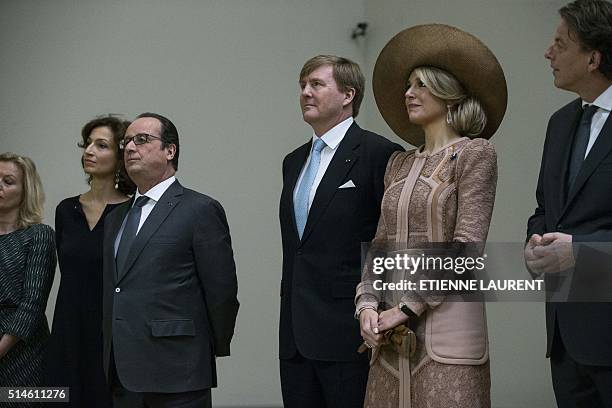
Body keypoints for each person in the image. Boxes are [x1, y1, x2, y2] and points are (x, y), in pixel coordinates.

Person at [356, 24, 507, 408]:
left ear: (450, 93)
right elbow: (379, 245)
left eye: (421, 84)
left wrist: (407, 308)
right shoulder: (398, 163)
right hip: (390, 336)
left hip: (447, 333)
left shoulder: (475, 154)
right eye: (408, 85)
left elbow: (466, 247)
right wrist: (368, 306)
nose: (409, 93)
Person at [278, 55, 403, 407]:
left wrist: (377, 306)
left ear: (348, 95)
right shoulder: (293, 161)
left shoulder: (380, 153)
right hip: (294, 331)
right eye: (302, 85)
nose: (305, 92)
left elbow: (388, 239)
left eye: (316, 84)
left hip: (349, 328)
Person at [101, 112, 238, 408]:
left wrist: (205, 347)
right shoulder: (115, 218)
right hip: (122, 373)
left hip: (179, 369)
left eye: (142, 140)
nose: (129, 148)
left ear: (169, 150)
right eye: (126, 142)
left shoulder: (200, 209)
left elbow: (222, 291)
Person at [524, 0, 612, 406]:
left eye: (560, 43)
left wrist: (579, 252)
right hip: (564, 336)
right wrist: (535, 243)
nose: (548, 52)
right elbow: (545, 208)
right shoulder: (560, 122)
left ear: (593, 58)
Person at [44, 115, 135, 407]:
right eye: (88, 144)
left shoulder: (133, 211)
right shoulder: (65, 210)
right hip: (67, 328)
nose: (89, 151)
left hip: (110, 332)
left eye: (102, 145)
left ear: (120, 156)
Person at [0, 153, 56, 401]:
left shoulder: (39, 235)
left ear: (26, 190)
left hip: (24, 350)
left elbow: (32, 304)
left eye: (8, 181)